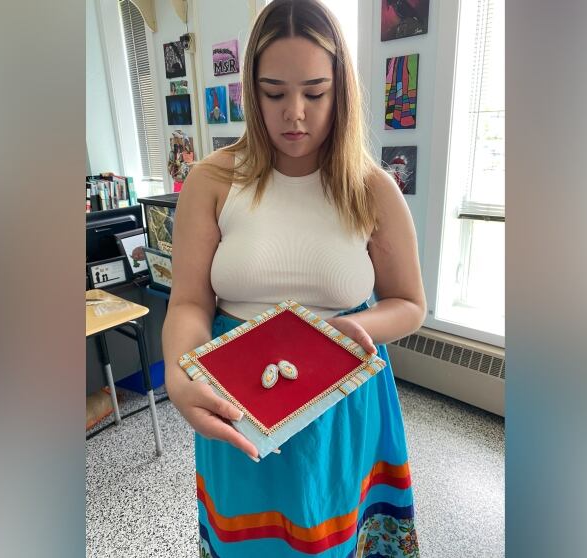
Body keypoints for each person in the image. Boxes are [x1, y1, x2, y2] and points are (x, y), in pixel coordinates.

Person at [162, 1, 426, 555]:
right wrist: (180, 373)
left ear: (342, 90)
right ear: (251, 90)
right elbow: (188, 302)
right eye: (275, 93)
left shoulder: (372, 189)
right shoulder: (211, 182)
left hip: (341, 410)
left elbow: (409, 303)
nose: (295, 115)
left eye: (315, 92)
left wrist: (366, 326)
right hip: (239, 406)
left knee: (337, 537)